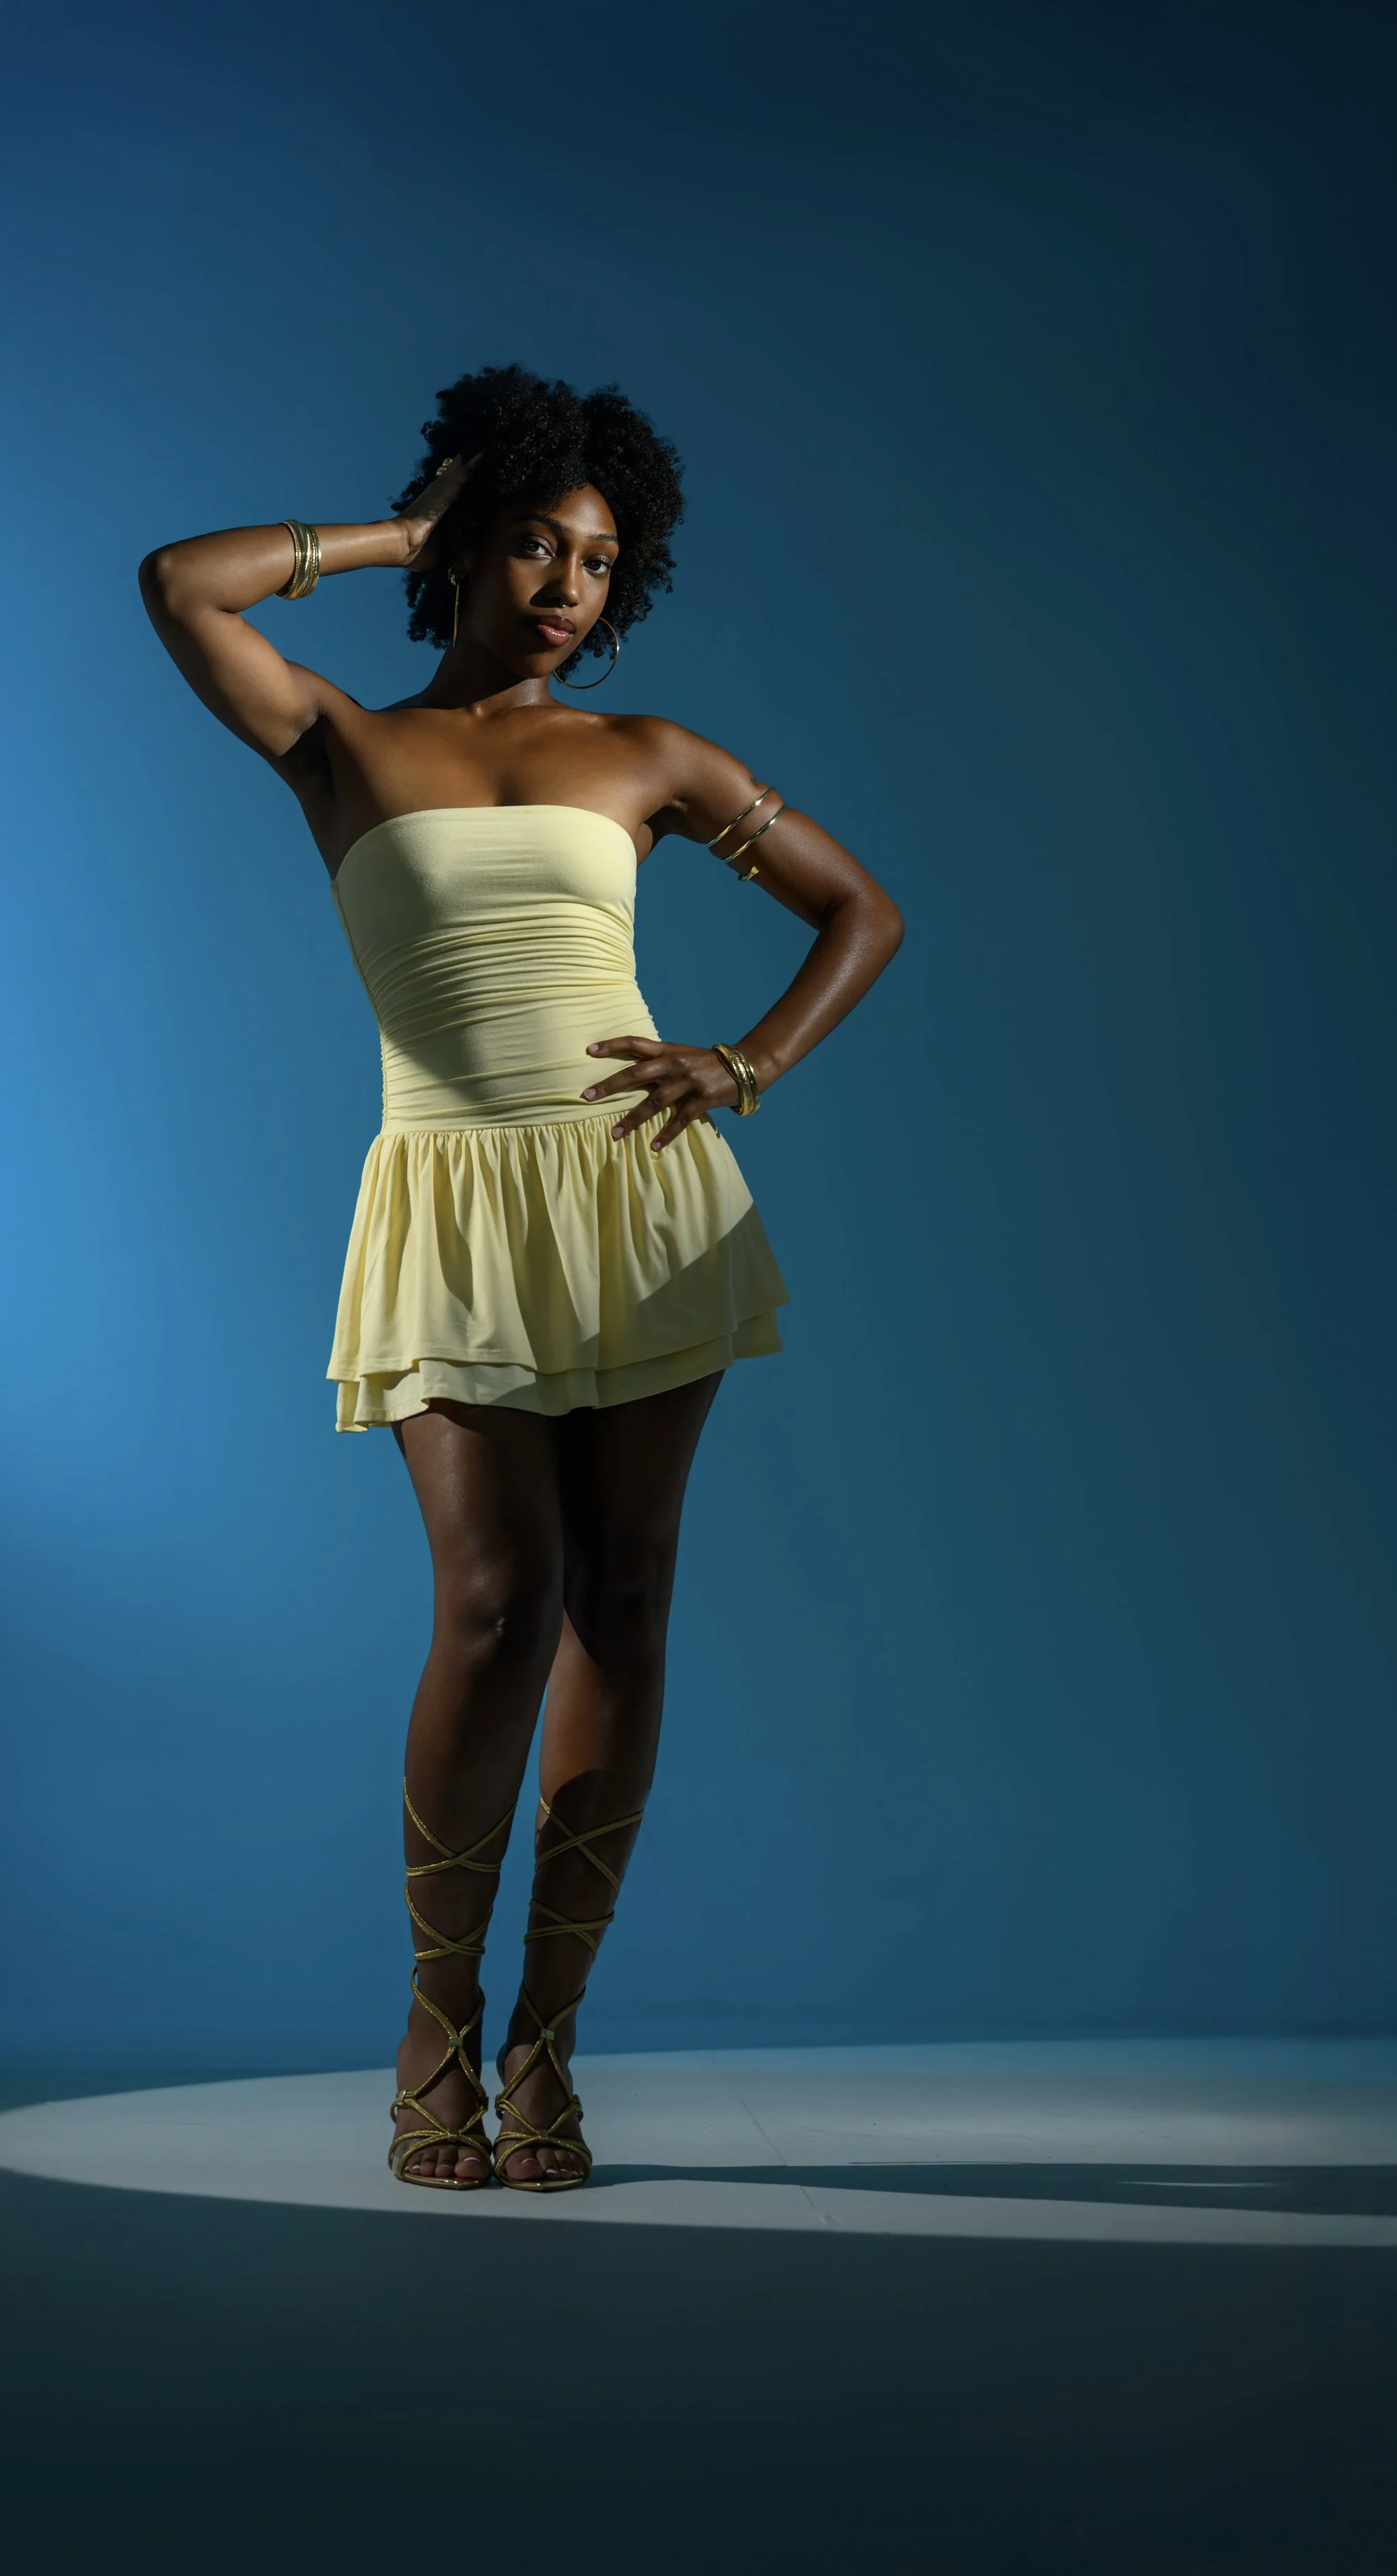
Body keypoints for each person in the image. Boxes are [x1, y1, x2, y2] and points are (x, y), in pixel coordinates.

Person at [137, 363, 904, 2193]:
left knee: (620, 1600)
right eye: (537, 544)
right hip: (453, 1196)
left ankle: (549, 2042)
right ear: (472, 546)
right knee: (496, 1603)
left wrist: (744, 1065)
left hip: (639, 1192)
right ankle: (437, 2022)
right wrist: (404, 526)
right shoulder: (339, 741)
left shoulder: (646, 755)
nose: (568, 583)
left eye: (599, 559)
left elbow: (859, 910)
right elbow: (180, 584)